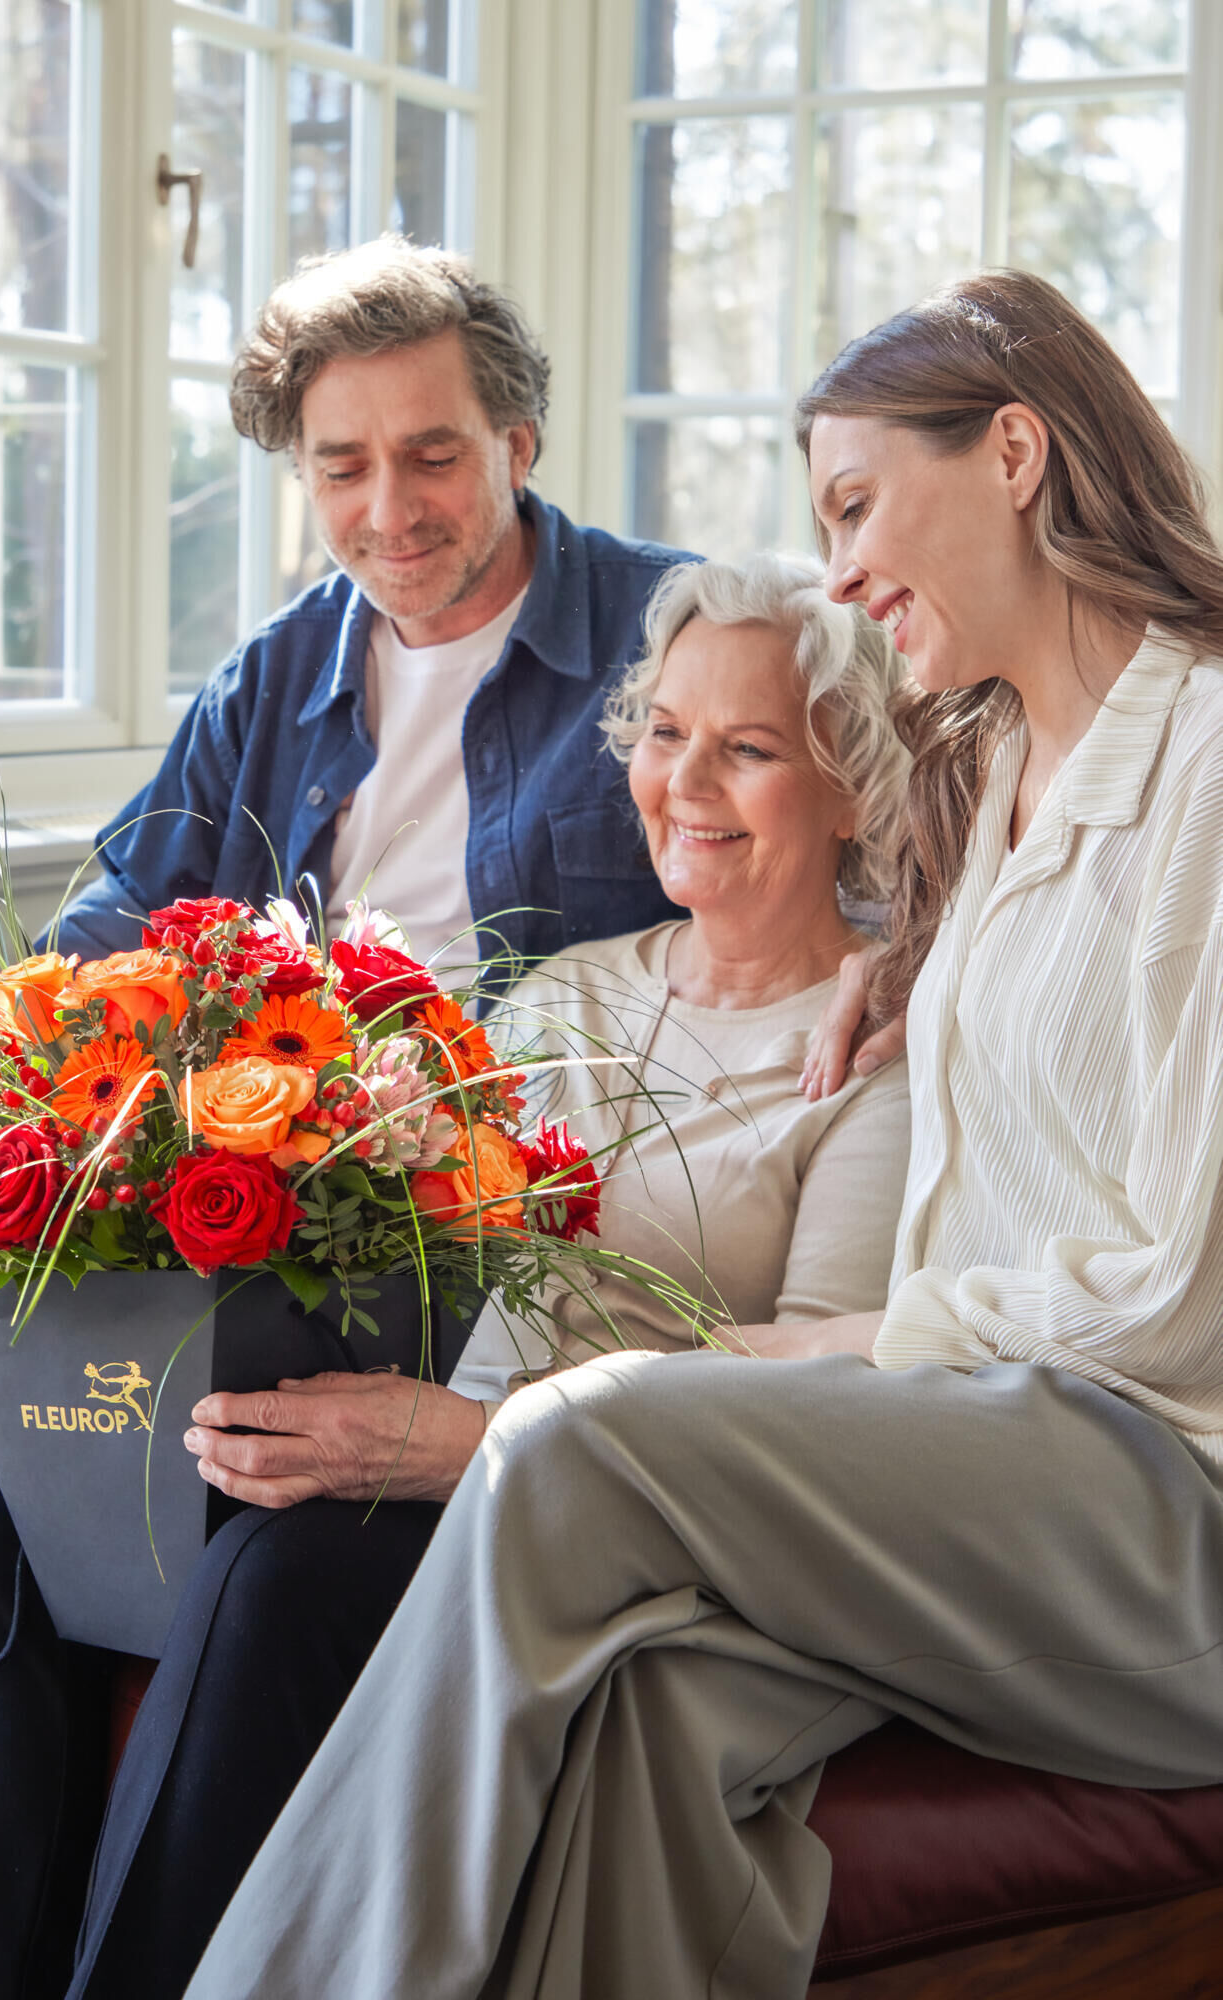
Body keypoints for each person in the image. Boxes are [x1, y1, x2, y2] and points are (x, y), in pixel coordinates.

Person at [175, 269, 1223, 2000]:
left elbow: (1173, 1294)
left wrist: (855, 1338)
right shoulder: (999, 771)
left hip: (1156, 1499)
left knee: (566, 1443)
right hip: (983, 1460)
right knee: (651, 1700)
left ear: (1019, 452)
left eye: (858, 503)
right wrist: (923, 971)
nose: (844, 565)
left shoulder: (1201, 754)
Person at [0, 238, 705, 1908]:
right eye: (342, 465)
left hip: (464, 1207)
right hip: (246, 1171)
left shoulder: (658, 633)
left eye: (435, 453)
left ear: (521, 444)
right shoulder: (280, 670)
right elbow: (90, 950)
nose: (389, 507)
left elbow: (828, 848)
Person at [0, 550, 913, 1999]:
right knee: (6, 1494)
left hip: (603, 1508)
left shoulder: (877, 1061)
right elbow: (428, 1249)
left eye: (746, 750)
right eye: (666, 733)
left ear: (855, 787)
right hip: (421, 1418)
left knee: (286, 1566)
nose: (684, 782)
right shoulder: (570, 989)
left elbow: (818, 1392)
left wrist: (481, 1445)